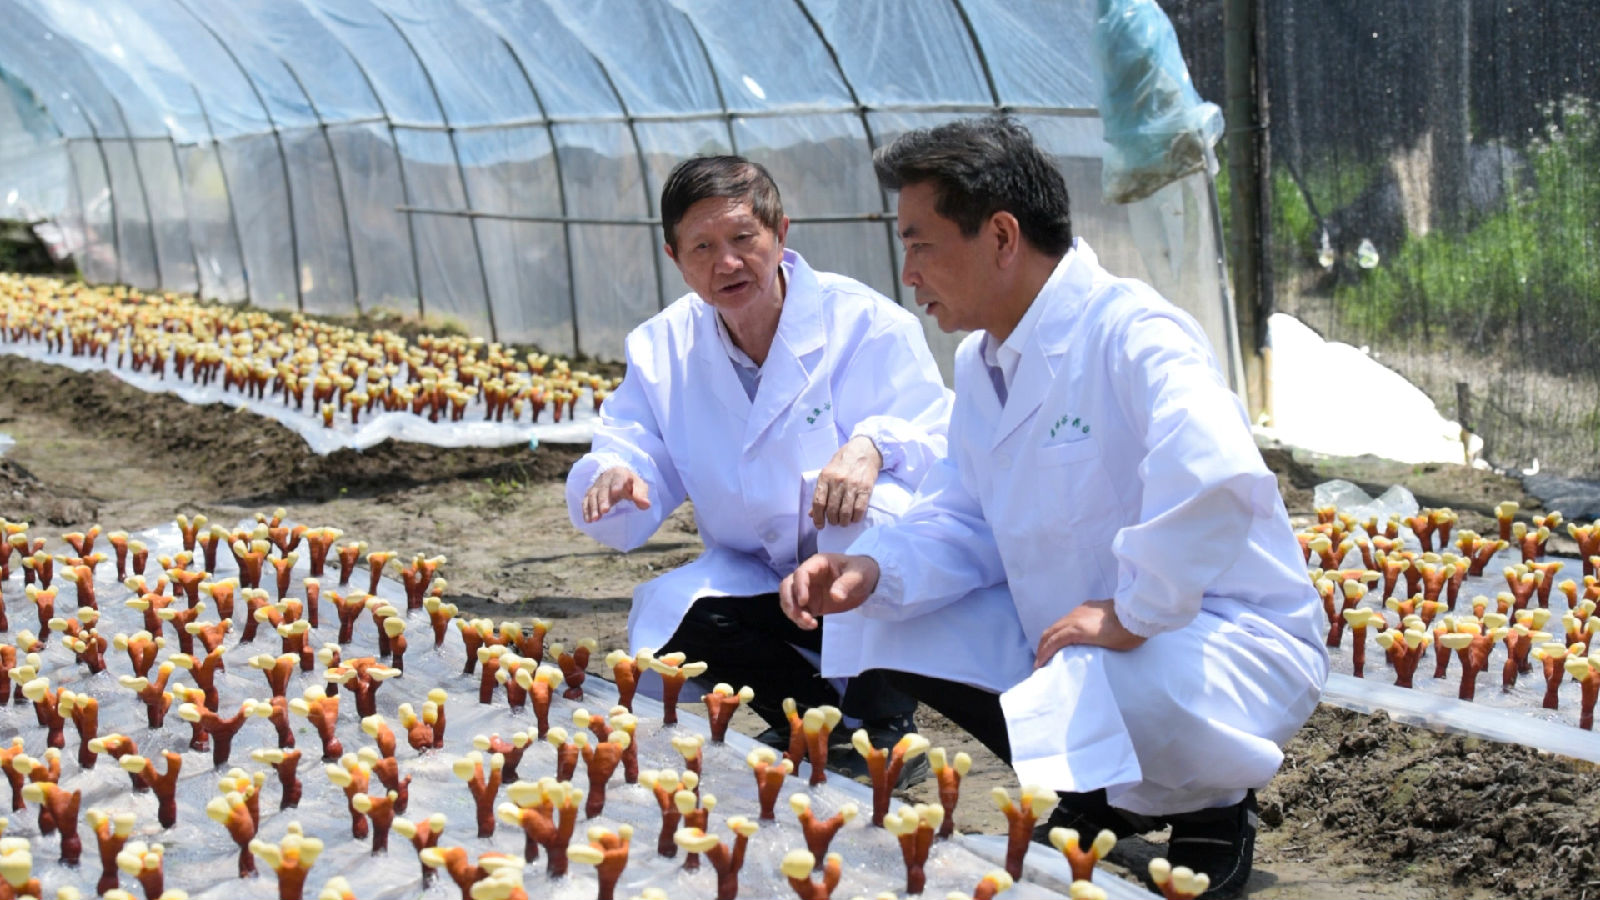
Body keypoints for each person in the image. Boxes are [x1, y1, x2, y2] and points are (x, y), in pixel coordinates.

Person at [779, 118, 1327, 898]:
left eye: (921, 244)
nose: (909, 272)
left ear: (1002, 236)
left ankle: (1211, 806)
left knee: (1103, 670)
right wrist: (873, 568)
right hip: (1085, 636)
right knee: (889, 614)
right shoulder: (982, 363)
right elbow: (963, 517)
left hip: (1219, 634)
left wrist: (1135, 611)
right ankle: (1098, 793)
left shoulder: (1132, 332)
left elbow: (1216, 474)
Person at [566, 155, 1032, 782]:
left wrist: (873, 445)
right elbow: (633, 438)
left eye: (743, 238)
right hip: (759, 571)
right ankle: (815, 717)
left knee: (867, 519)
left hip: (857, 568)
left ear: (780, 233)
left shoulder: (865, 322)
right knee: (677, 619)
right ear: (674, 257)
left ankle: (883, 721)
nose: (726, 263)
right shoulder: (662, 347)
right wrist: (620, 472)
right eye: (702, 247)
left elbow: (938, 436)